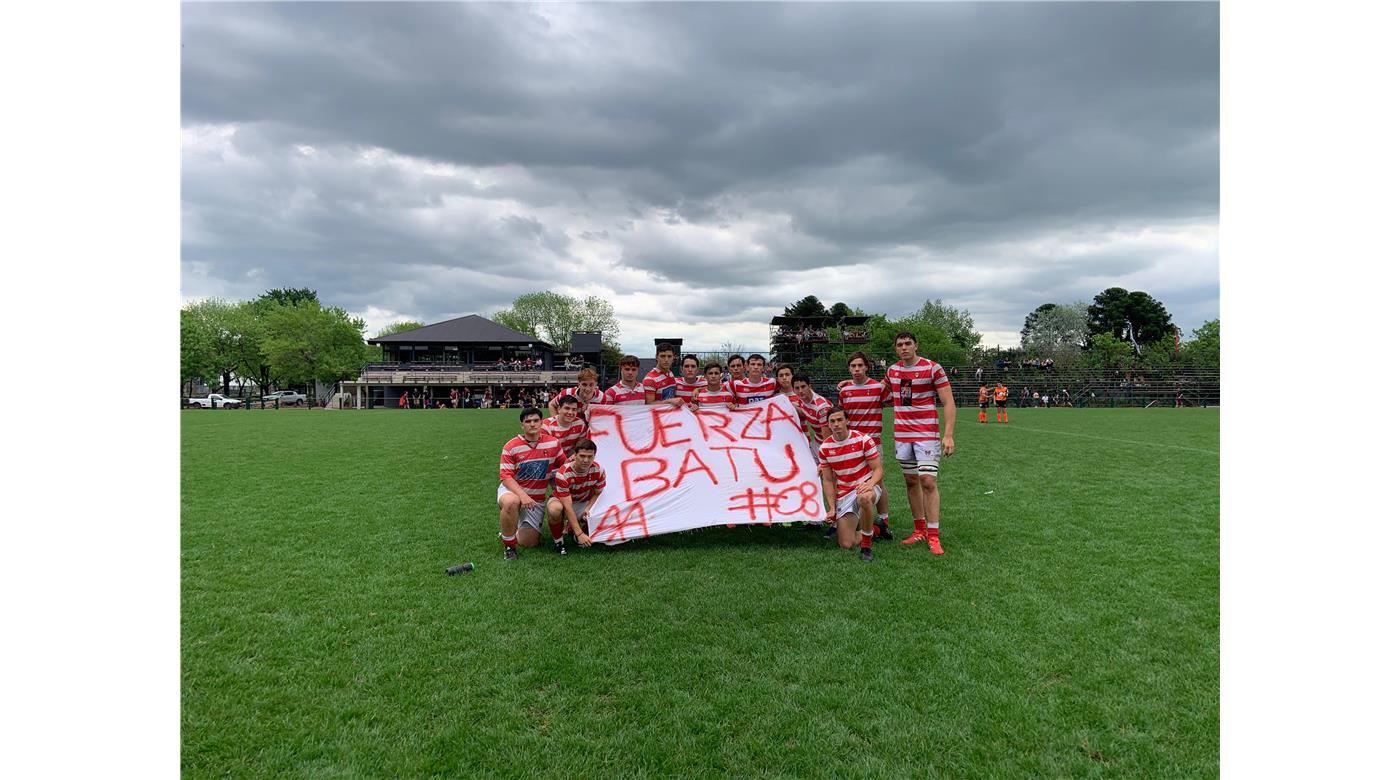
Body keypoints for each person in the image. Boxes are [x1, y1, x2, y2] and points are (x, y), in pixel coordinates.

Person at [885, 331, 956, 555]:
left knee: (927, 481)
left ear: (916, 345)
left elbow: (948, 402)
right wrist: (854, 382)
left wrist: (948, 435)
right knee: (910, 481)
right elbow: (881, 390)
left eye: (908, 343)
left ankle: (933, 536)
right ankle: (919, 530)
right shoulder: (893, 371)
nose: (904, 347)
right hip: (902, 434)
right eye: (900, 344)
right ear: (896, 349)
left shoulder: (933, 368)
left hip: (926, 434)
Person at [495, 407, 568, 559]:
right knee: (511, 502)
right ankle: (509, 547)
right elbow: (506, 477)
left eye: (536, 421)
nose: (532, 424)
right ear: (522, 425)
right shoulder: (511, 446)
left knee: (530, 542)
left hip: (536, 499)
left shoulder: (553, 444)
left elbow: (564, 466)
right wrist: (522, 495)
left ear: (542, 423)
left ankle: (508, 528)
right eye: (528, 421)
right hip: (513, 490)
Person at [837, 351, 893, 539]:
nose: (857, 369)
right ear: (849, 369)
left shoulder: (878, 388)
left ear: (867, 367)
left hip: (873, 444)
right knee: (854, 481)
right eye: (853, 366)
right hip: (852, 445)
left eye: (860, 366)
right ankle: (861, 516)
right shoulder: (845, 391)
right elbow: (843, 418)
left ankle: (884, 520)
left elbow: (893, 397)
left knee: (877, 481)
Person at [818, 407, 883, 563]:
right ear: (828, 424)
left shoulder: (863, 439)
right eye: (832, 421)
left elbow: (878, 470)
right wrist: (832, 508)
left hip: (867, 487)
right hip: (845, 492)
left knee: (864, 498)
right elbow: (827, 480)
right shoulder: (825, 448)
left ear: (847, 421)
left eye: (840, 420)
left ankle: (866, 547)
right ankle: (875, 529)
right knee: (846, 544)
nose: (836, 424)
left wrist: (870, 483)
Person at [546, 438, 606, 552]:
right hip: (562, 501)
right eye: (582, 456)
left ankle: (579, 534)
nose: (586, 460)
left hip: (583, 501)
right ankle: (559, 542)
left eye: (590, 457)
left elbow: (597, 493)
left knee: (604, 509)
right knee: (555, 509)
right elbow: (567, 506)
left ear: (594, 456)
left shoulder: (599, 470)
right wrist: (580, 533)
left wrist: (589, 507)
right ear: (575, 455)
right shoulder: (563, 473)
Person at [643, 342, 682, 407]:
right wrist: (669, 401)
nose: (666, 360)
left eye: (669, 356)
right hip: (658, 416)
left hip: (671, 414)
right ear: (656, 357)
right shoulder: (650, 379)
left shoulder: (670, 373)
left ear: (673, 358)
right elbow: (649, 404)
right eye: (663, 356)